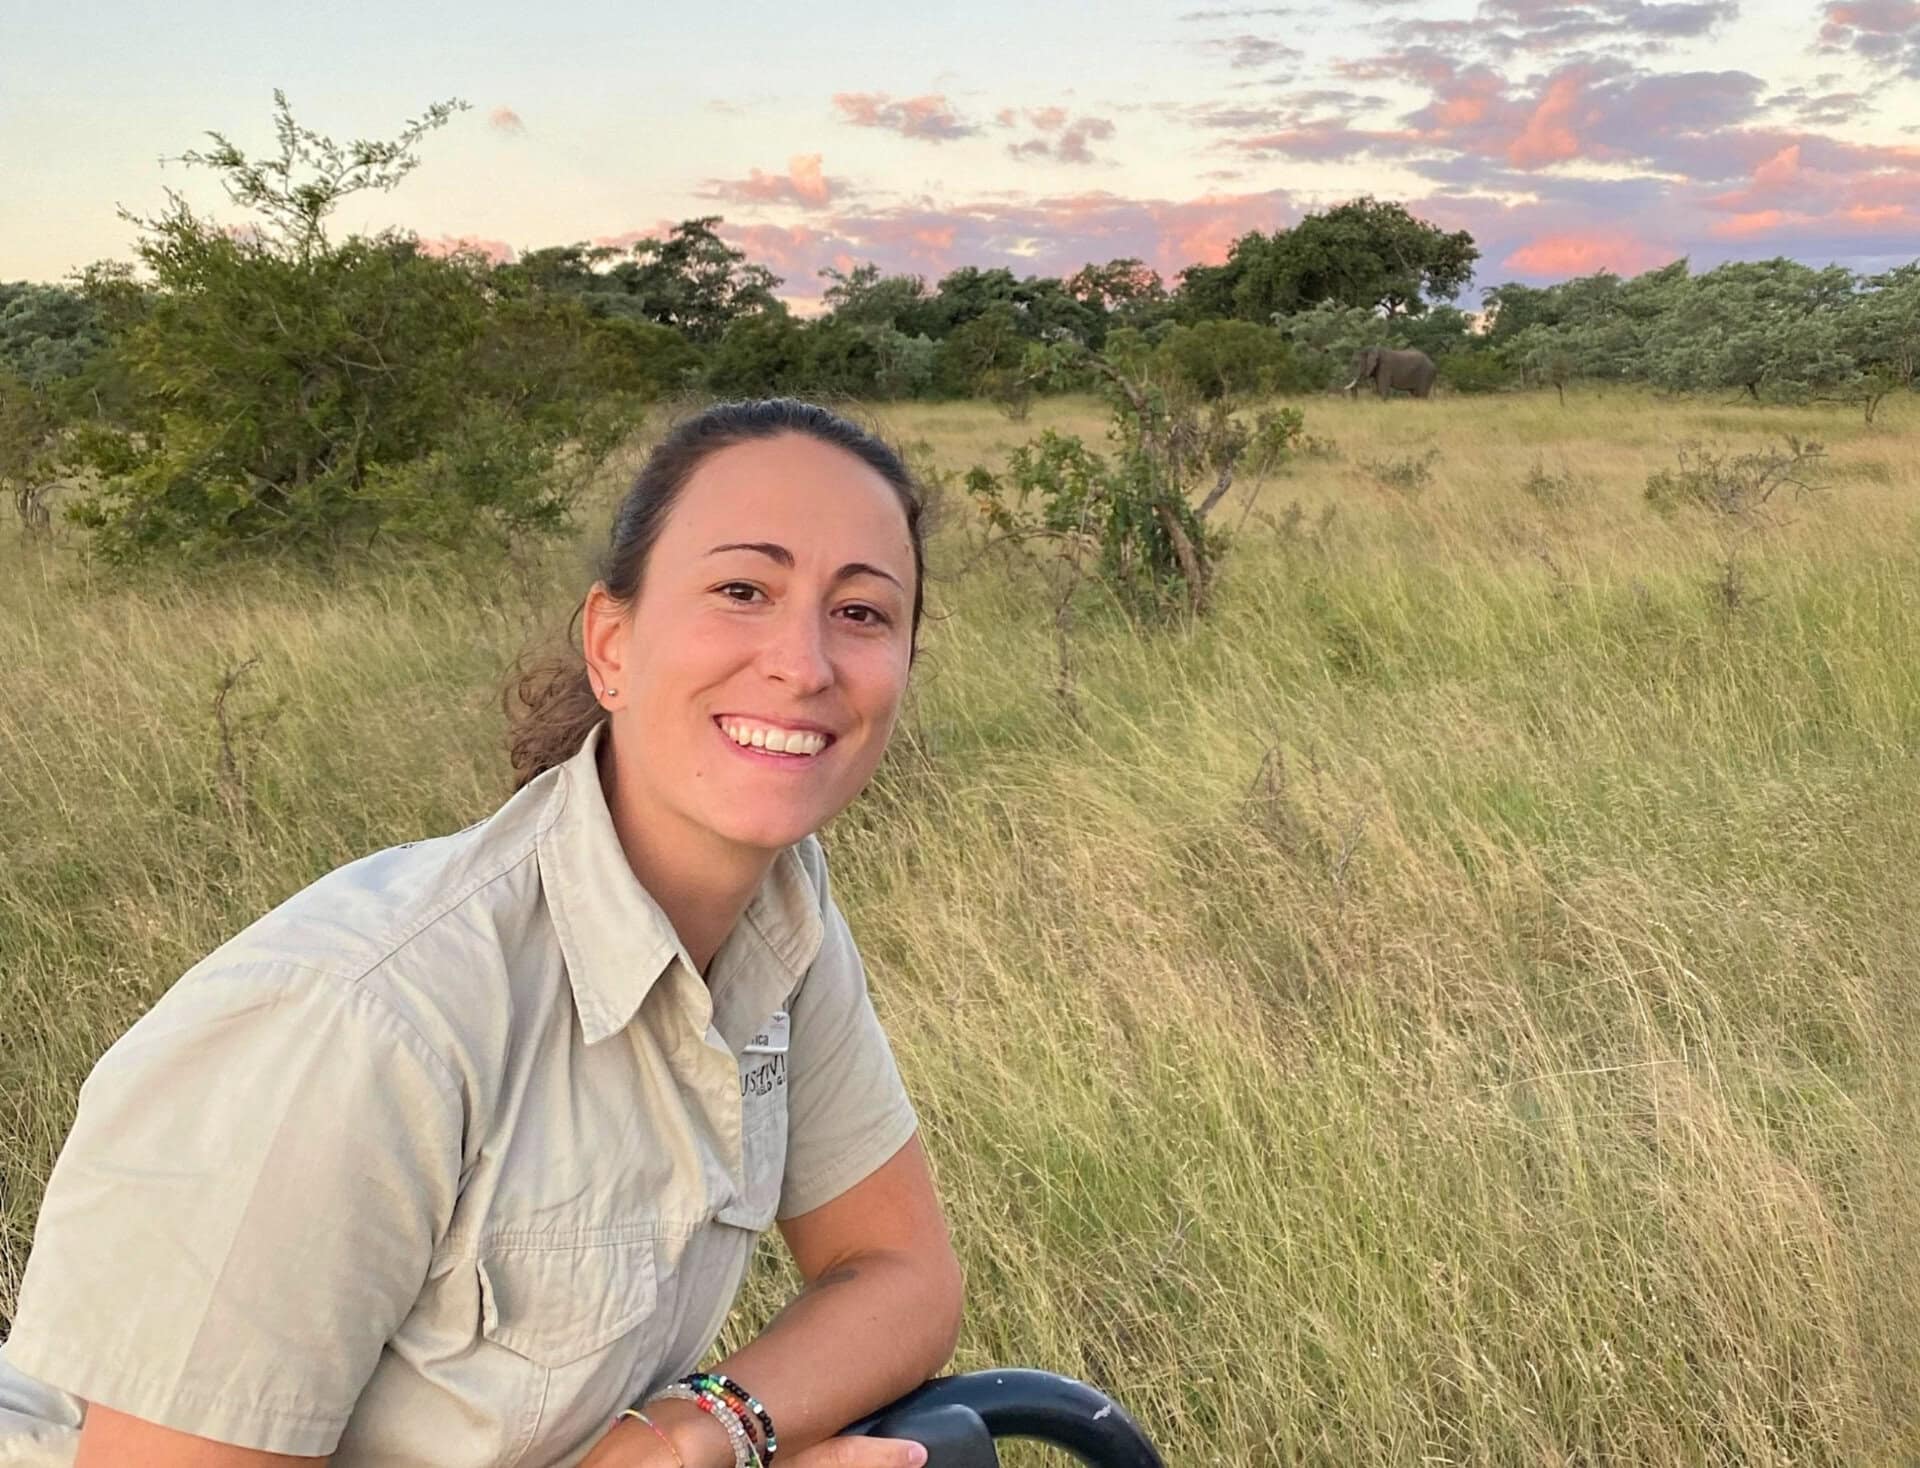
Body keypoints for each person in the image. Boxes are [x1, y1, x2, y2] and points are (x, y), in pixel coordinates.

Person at [0, 399, 964, 1468]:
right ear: (612, 644)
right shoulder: (364, 1017)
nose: (805, 661)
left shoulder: (783, 920)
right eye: (743, 590)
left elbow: (899, 1271)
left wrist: (688, 1437)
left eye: (864, 612)